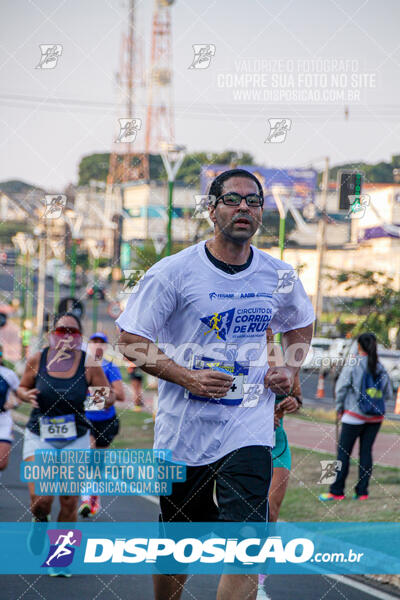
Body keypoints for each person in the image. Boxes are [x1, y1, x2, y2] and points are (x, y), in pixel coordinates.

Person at [116, 168, 314, 600]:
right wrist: (187, 376)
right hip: (184, 427)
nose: (244, 207)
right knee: (179, 542)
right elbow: (130, 341)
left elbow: (300, 322)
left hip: (249, 424)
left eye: (254, 201)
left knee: (248, 537)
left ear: (262, 213)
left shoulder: (279, 274)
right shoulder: (173, 272)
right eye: (233, 199)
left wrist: (291, 369)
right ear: (211, 209)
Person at [17, 313, 113, 575]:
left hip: (76, 438)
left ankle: (60, 559)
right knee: (42, 500)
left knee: (69, 500)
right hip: (40, 436)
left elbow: (109, 395)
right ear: (53, 333)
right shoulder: (38, 358)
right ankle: (39, 520)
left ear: (79, 335)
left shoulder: (88, 363)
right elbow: (22, 388)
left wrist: (92, 402)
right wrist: (27, 394)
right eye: (62, 330)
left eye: (72, 330)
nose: (67, 335)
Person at [319, 333, 392, 502]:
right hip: (375, 418)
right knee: (366, 453)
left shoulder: (354, 364)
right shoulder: (380, 367)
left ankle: (336, 491)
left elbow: (342, 388)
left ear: (359, 346)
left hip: (353, 416)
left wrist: (339, 408)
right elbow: (388, 394)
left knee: (343, 454)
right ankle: (362, 492)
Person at [257, 333, 302, 600]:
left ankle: (260, 582)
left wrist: (292, 403)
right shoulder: (238, 354)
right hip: (243, 443)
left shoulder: (286, 361)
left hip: (277, 445)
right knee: (243, 515)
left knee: (270, 513)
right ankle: (238, 572)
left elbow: (298, 399)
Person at [79, 331, 125, 518]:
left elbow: (120, 395)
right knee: (87, 456)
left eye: (101, 343)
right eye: (94, 342)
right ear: (88, 345)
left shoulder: (110, 367)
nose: (97, 345)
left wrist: (89, 401)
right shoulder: (82, 367)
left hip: (106, 420)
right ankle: (85, 499)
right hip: (86, 420)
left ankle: (94, 498)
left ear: (105, 347)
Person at [0, 343, 21, 479]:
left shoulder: (8, 374)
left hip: (3, 420)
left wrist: (12, 404)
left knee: (2, 463)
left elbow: (21, 394)